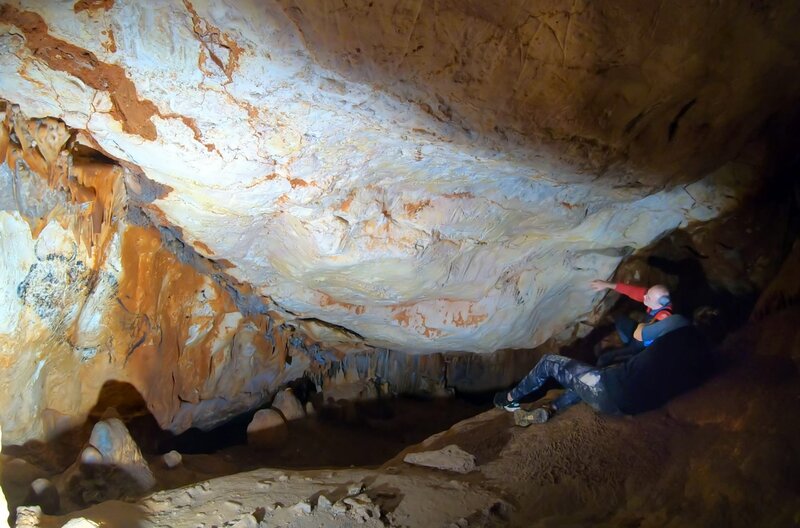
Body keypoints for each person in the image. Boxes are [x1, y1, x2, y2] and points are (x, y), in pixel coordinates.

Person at [493, 280, 709, 426]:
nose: (644, 299)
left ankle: (508, 399)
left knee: (550, 362)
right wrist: (609, 284)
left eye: (648, 299)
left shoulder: (674, 322)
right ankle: (551, 408)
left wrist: (643, 329)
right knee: (595, 373)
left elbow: (643, 334)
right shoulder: (697, 356)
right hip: (633, 403)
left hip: (612, 391)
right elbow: (640, 295)